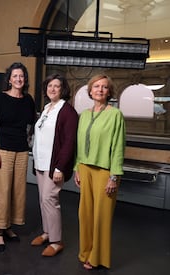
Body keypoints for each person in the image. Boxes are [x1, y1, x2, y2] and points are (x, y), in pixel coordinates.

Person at [74, 74, 126, 269]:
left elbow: (119, 147)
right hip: (85, 169)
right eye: (96, 86)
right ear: (90, 90)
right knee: (84, 214)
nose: (100, 90)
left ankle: (97, 258)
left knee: (101, 217)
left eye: (104, 87)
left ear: (109, 92)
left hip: (105, 172)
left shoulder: (115, 115)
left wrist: (114, 176)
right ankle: (85, 252)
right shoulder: (84, 115)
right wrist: (77, 168)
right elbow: (79, 144)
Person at [0, 62, 36, 252]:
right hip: (4, 150)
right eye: (15, 76)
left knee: (18, 191)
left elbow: (31, 125)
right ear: (9, 79)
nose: (18, 79)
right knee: (3, 191)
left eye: (21, 76)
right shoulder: (0, 98)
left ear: (25, 79)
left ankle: (9, 227)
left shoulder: (29, 100)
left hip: (22, 150)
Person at [30, 74, 78, 257]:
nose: (52, 89)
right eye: (49, 85)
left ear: (63, 89)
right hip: (41, 163)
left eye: (56, 86)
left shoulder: (67, 111)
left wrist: (60, 167)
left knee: (51, 200)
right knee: (43, 200)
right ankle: (47, 233)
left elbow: (69, 142)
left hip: (54, 165)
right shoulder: (46, 109)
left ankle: (57, 241)